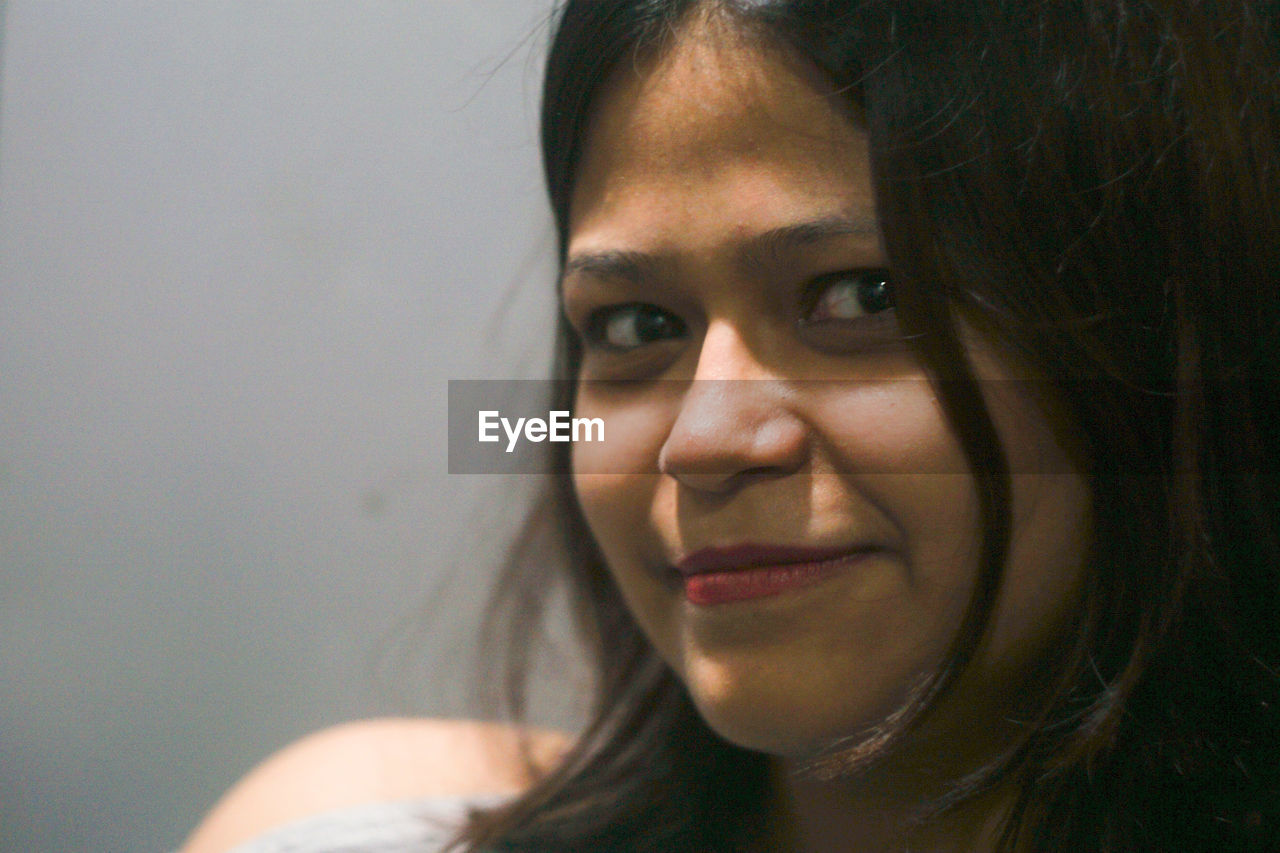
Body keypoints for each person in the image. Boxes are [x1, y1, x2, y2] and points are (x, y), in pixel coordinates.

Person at [182, 1, 1280, 850]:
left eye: (862, 297)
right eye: (635, 323)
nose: (700, 440)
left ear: (1172, 345)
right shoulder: (346, 822)